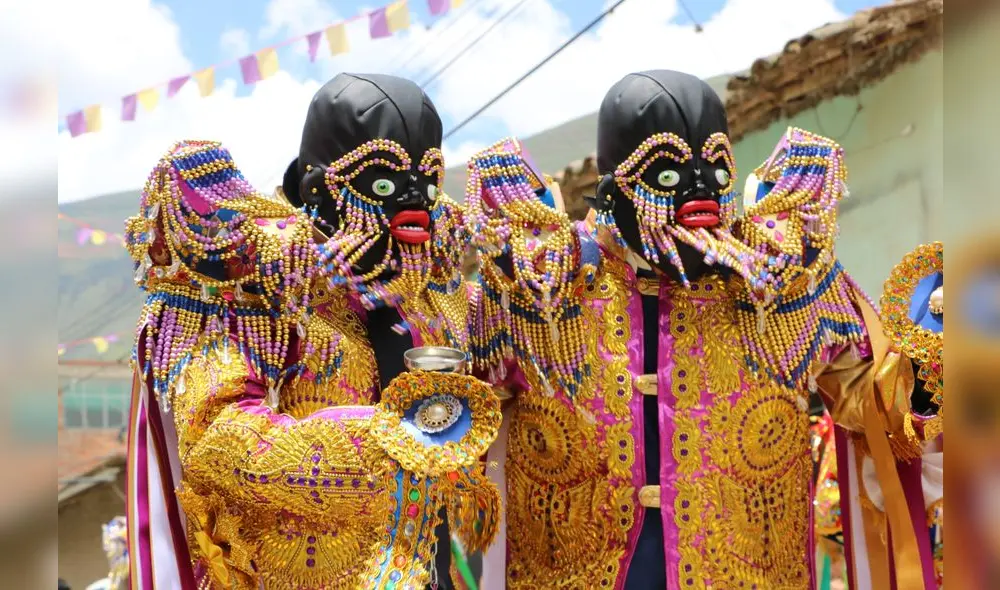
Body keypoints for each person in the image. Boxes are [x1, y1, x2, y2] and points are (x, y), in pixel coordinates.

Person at [466, 70, 935, 589]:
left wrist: (930, 365)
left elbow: (873, 400)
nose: (697, 193)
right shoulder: (539, 282)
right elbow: (460, 417)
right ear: (611, 189)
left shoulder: (776, 274)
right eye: (667, 176)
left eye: (712, 174)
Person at [122, 73, 501, 590]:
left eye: (428, 183)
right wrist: (385, 439)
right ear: (314, 187)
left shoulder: (435, 292)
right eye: (383, 184)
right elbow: (217, 443)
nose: (413, 203)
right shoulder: (257, 280)